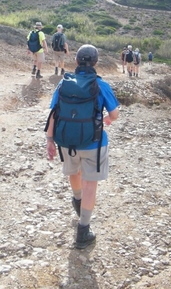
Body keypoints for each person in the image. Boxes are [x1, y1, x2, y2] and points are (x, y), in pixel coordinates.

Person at [45, 45, 120, 249]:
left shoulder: (64, 84)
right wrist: (105, 119)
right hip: (94, 143)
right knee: (90, 185)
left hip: (67, 141)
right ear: (95, 63)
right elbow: (114, 115)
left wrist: (50, 140)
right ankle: (83, 231)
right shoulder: (100, 85)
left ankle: (77, 201)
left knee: (74, 173)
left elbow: (54, 114)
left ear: (76, 61)